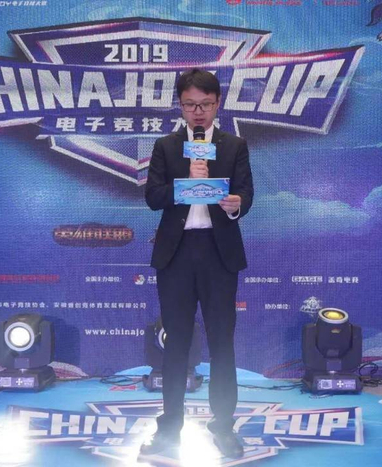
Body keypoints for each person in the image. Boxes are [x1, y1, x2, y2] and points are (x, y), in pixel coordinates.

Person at [141, 68, 253, 459]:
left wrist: (235, 204)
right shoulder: (166, 146)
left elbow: (246, 195)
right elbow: (153, 197)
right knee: (176, 344)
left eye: (205, 104)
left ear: (217, 103)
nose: (198, 112)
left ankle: (223, 427)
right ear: (180, 106)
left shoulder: (234, 145)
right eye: (190, 105)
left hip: (219, 254)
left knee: (222, 344)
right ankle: (169, 429)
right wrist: (184, 183)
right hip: (177, 254)